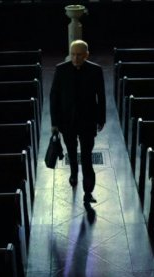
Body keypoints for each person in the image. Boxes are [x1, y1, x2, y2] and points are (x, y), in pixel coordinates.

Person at [50, 39, 106, 203]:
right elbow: (54, 97)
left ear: (86, 55)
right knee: (72, 152)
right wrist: (54, 123)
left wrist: (101, 119)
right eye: (73, 54)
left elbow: (101, 96)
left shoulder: (95, 71)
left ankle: (88, 191)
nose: (75, 58)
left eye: (79, 55)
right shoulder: (61, 70)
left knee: (87, 156)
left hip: (88, 121)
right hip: (67, 121)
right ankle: (74, 173)